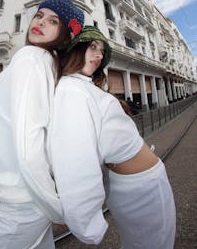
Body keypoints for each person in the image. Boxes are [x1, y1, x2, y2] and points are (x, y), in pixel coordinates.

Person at [0, 0, 84, 249]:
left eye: (53, 21)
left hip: (17, 203)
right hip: (25, 199)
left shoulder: (31, 58)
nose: (41, 22)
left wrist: (55, 208)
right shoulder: (47, 63)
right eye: (39, 15)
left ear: (65, 35)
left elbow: (28, 144)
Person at [49, 26, 176, 248]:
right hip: (143, 189)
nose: (98, 55)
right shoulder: (72, 90)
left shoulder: (82, 87)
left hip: (134, 185)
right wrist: (84, 220)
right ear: (75, 50)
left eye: (101, 51)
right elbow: (76, 159)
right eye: (92, 47)